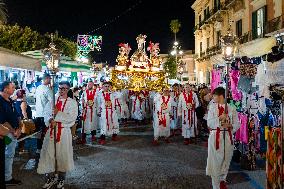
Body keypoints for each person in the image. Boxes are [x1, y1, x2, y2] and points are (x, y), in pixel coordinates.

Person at [37, 81, 78, 189]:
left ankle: (61, 179)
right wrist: (50, 119)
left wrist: (58, 114)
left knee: (62, 155)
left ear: (68, 89)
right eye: (60, 88)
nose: (61, 90)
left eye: (64, 89)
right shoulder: (53, 101)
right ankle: (50, 178)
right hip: (51, 131)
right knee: (49, 155)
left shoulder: (72, 103)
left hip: (64, 132)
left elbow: (72, 118)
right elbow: (46, 113)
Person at [206, 87, 240, 189]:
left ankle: (222, 180)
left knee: (226, 159)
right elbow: (209, 123)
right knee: (216, 161)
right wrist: (220, 118)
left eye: (215, 95)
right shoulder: (212, 107)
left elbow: (237, 124)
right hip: (216, 137)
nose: (213, 97)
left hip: (227, 137)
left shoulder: (231, 108)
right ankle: (215, 184)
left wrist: (230, 126)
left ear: (220, 96)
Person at [0, 81, 22, 186]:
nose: (14, 89)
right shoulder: (0, 101)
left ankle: (8, 176)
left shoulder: (10, 100)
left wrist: (19, 127)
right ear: (5, 89)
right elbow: (3, 121)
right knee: (8, 155)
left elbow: (17, 115)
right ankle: (7, 178)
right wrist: (13, 131)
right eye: (12, 87)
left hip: (14, 132)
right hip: (6, 133)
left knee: (10, 155)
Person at [34, 73, 53, 154]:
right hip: (45, 114)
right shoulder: (47, 89)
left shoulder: (38, 88)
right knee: (46, 132)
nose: (50, 80)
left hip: (38, 113)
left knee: (39, 132)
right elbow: (52, 101)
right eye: (49, 79)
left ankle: (39, 148)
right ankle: (45, 148)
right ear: (46, 79)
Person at [14, 89, 33, 154]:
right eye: (25, 94)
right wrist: (27, 121)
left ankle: (19, 149)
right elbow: (24, 113)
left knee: (20, 136)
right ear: (23, 95)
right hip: (23, 121)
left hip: (19, 121)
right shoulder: (23, 102)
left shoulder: (16, 102)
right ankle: (21, 150)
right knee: (22, 136)